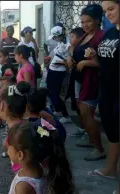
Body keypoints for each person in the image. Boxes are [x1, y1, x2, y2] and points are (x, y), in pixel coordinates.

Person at [85, 0, 119, 183]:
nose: (108, 14)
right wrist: (94, 55)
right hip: (106, 90)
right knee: (112, 132)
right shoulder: (111, 32)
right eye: (106, 11)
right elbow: (104, 64)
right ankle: (111, 168)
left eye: (112, 9)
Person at [72, 4, 105, 161]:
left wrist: (86, 63)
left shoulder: (101, 37)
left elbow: (104, 63)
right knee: (83, 112)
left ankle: (99, 148)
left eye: (89, 21)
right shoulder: (85, 35)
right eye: (83, 21)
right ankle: (91, 140)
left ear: (98, 20)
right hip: (80, 79)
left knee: (88, 113)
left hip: (92, 81)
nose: (85, 25)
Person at [7, 121, 74, 194]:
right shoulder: (40, 168)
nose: (7, 149)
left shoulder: (23, 187)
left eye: (9, 146)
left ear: (20, 155)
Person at [46, 26, 72, 124]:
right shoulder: (61, 42)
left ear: (60, 35)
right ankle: (57, 110)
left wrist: (63, 63)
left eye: (55, 37)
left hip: (59, 72)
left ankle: (66, 115)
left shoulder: (68, 43)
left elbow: (70, 58)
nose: (54, 39)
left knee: (55, 94)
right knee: (50, 91)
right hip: (53, 70)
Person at [65, 27, 86, 137]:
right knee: (77, 106)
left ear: (80, 37)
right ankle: (82, 128)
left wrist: (69, 57)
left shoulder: (82, 49)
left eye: (72, 36)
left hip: (80, 80)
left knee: (80, 105)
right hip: (76, 79)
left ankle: (84, 130)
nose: (70, 38)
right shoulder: (75, 48)